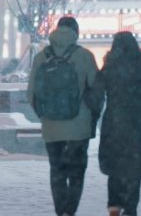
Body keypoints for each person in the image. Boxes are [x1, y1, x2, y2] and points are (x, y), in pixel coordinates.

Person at [27, 16, 99, 216]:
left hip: (51, 127)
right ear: (76, 32)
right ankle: (70, 211)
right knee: (76, 173)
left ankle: (61, 212)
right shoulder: (85, 56)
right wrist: (91, 117)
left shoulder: (41, 57)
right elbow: (96, 90)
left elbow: (31, 94)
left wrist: (44, 115)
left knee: (57, 172)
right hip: (79, 127)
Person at [89, 31, 141, 216]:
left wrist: (92, 120)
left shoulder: (107, 69)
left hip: (113, 123)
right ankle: (131, 209)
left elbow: (96, 98)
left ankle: (114, 207)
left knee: (115, 169)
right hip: (136, 123)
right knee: (133, 169)